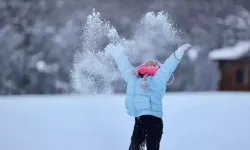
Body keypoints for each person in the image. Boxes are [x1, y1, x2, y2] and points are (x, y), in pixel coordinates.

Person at [105, 28, 191, 150]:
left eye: (153, 63)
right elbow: (124, 66)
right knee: (134, 147)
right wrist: (116, 54)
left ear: (157, 68)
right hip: (139, 120)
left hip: (154, 121)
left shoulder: (158, 79)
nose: (150, 64)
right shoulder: (133, 78)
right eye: (147, 63)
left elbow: (167, 67)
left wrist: (178, 54)